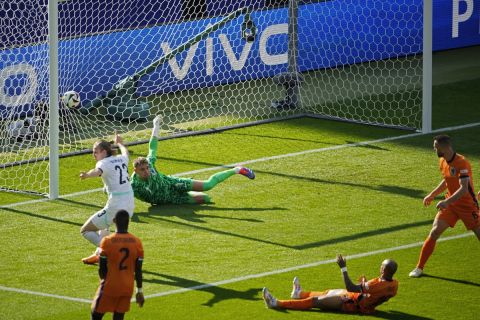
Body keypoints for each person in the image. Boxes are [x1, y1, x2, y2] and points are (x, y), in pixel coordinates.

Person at [131, 115, 256, 205]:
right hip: (170, 199)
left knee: (207, 185)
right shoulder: (132, 185)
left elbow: (152, 147)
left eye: (147, 168)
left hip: (172, 183)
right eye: (142, 170)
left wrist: (155, 125)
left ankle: (237, 170)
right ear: (135, 170)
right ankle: (188, 196)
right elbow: (121, 197)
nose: (146, 171)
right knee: (205, 199)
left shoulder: (150, 163)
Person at [409, 134, 480, 277]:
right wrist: (433, 194)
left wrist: (446, 201)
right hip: (451, 205)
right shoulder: (442, 160)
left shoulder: (462, 163)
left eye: (436, 147)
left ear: (445, 147)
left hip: (468, 206)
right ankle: (419, 268)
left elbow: (464, 189)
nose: (434, 150)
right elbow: (447, 180)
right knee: (434, 232)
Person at [262, 254, 398, 315]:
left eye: (382, 266)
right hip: (359, 299)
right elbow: (381, 296)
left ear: (385, 270)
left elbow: (351, 287)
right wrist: (367, 291)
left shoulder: (378, 284)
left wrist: (343, 268)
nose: (380, 268)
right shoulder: (394, 285)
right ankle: (299, 294)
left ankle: (277, 303)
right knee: (327, 292)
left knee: (315, 301)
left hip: (352, 302)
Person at [80, 133, 135, 265]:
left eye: (96, 152)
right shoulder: (121, 159)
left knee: (86, 230)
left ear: (104, 152)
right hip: (129, 203)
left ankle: (109, 251)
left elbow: (97, 171)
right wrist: (120, 143)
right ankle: (99, 255)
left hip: (115, 205)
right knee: (104, 227)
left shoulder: (103, 162)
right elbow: (126, 153)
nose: (94, 155)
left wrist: (87, 175)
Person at [91, 210, 144, 320]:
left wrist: (103, 282)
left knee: (96, 314)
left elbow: (102, 267)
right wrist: (139, 291)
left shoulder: (107, 241)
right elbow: (138, 270)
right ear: (128, 222)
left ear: (114, 221)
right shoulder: (137, 242)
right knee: (119, 317)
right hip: (127, 286)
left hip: (110, 285)